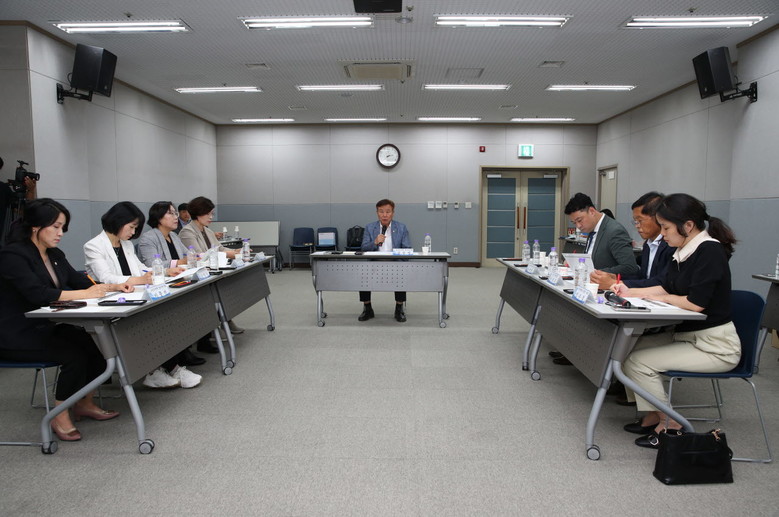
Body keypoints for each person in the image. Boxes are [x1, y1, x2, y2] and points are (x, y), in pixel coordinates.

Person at [612, 193, 740, 449]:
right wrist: (628, 291)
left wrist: (659, 297)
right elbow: (665, 285)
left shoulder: (709, 251)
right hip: (689, 337)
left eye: (666, 228)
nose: (663, 234)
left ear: (688, 225)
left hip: (716, 346)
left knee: (639, 362)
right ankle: (653, 415)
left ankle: (671, 424)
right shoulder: (683, 251)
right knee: (627, 350)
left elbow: (695, 303)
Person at [0, 199, 132, 442]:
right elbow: (38, 294)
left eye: (62, 227)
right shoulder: (13, 255)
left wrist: (113, 287)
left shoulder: (55, 254)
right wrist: (85, 294)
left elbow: (80, 281)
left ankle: (84, 403)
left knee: (98, 345)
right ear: (35, 226)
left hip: (45, 326)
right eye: (56, 227)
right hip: (16, 333)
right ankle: (59, 415)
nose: (61, 233)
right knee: (74, 355)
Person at [85, 202, 200, 389]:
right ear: (118, 221)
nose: (133, 232)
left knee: (164, 318)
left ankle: (166, 368)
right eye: (131, 227)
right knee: (153, 323)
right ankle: (164, 369)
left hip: (134, 298)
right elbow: (106, 278)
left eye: (135, 228)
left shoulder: (126, 244)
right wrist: (140, 279)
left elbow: (142, 269)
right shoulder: (94, 246)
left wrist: (162, 272)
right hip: (111, 304)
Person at [551, 193, 639, 365]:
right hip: (591, 286)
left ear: (591, 211)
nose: (578, 226)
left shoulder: (614, 230)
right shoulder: (593, 230)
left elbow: (630, 267)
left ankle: (581, 355)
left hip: (607, 290)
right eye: (574, 223)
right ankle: (571, 350)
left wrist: (598, 273)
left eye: (580, 220)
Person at [137, 201, 206, 368]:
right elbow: (151, 264)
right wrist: (180, 262)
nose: (176, 217)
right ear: (158, 217)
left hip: (179, 280)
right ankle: (180, 352)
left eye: (175, 213)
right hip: (160, 286)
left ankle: (196, 342)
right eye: (171, 213)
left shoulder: (174, 236)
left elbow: (188, 255)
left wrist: (194, 257)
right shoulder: (148, 238)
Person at [179, 196, 244, 347]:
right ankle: (213, 327)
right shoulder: (187, 232)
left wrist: (237, 251)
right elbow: (200, 256)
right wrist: (230, 254)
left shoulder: (207, 231)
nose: (211, 217)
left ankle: (226, 319)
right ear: (198, 213)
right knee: (214, 294)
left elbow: (219, 248)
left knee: (225, 289)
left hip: (213, 270)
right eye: (208, 214)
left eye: (212, 214)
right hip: (199, 274)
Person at [590, 192, 674, 290]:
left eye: (640, 220)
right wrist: (615, 277)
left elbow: (661, 282)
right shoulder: (648, 244)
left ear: (658, 218)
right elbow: (642, 277)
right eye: (635, 221)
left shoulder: (670, 245)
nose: (637, 225)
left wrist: (616, 283)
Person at [358, 199, 411, 322]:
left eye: (388, 211)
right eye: (381, 212)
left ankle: (399, 308)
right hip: (374, 263)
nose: (385, 215)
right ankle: (367, 308)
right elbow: (363, 248)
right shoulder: (370, 227)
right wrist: (375, 242)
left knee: (401, 273)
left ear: (393, 213)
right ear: (377, 213)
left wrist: (396, 256)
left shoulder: (401, 227)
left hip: (395, 262)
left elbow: (407, 248)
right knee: (363, 273)